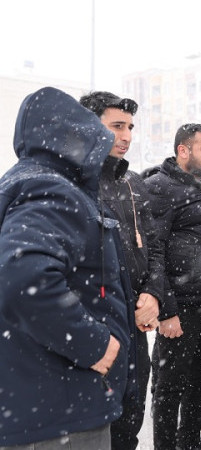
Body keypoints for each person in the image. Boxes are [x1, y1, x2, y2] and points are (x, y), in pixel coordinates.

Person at [0, 86, 135, 448]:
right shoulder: (53, 189)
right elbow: (21, 280)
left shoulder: (23, 181)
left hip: (41, 399)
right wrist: (94, 344)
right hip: (62, 411)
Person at [79, 91, 164, 450]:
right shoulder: (71, 184)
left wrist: (153, 294)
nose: (127, 136)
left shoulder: (133, 184)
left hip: (135, 328)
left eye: (130, 127)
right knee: (93, 430)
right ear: (87, 127)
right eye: (117, 126)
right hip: (92, 330)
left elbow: (156, 247)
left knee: (130, 419)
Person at [145, 123, 201, 450]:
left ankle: (191, 443)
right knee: (169, 387)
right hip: (179, 304)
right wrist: (165, 310)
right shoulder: (158, 187)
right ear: (183, 150)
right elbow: (154, 252)